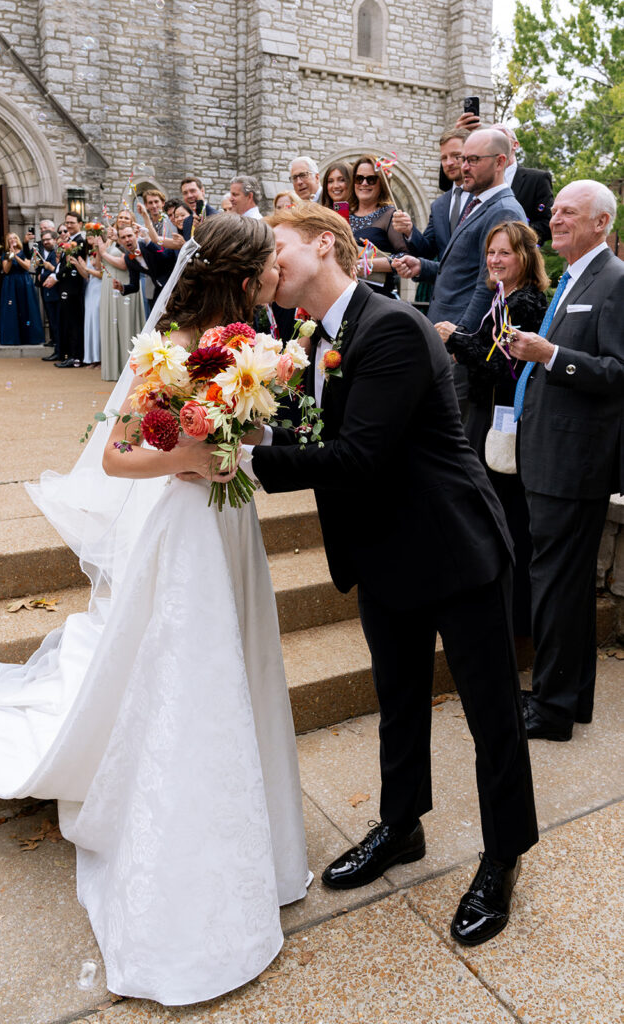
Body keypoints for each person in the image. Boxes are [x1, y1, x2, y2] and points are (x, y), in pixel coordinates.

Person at [0, 214, 310, 1004]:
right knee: (190, 675)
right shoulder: (168, 350)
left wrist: (236, 444)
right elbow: (116, 455)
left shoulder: (257, 344)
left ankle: (266, 848)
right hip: (180, 533)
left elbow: (246, 436)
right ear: (244, 276)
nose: (282, 272)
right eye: (272, 263)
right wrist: (189, 454)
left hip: (230, 525)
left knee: (243, 661)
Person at [250, 203, 538, 947]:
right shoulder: (309, 333)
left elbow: (356, 458)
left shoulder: (390, 328)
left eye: (275, 246)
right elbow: (311, 429)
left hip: (453, 548)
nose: (268, 260)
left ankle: (502, 856)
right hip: (380, 551)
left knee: (490, 716)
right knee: (398, 700)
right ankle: (400, 826)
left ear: (324, 244)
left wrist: (244, 461)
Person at [509, 180, 624, 741]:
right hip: (548, 454)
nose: (554, 220)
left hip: (573, 461)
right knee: (564, 584)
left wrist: (549, 354)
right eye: (554, 212)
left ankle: (550, 707)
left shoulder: (615, 281)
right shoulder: (576, 276)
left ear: (601, 223)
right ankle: (567, 701)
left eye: (568, 213)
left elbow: (617, 372)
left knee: (554, 581)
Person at [437, 220, 549, 635]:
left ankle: (515, 615)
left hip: (505, 422)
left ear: (525, 257)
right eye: (491, 252)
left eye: (504, 252)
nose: (495, 260)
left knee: (507, 517)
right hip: (487, 415)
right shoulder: (502, 296)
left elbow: (501, 368)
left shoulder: (526, 302)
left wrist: (454, 339)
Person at [393, 129, 525, 410]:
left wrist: (460, 340)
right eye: (463, 159)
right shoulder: (476, 204)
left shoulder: (503, 211)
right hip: (443, 335)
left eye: (473, 160)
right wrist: (422, 267)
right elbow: (458, 269)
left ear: (500, 162)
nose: (463, 167)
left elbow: (488, 283)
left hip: (460, 347)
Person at [392, 127, 472, 284]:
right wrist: (409, 230)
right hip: (442, 295)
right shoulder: (439, 205)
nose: (449, 163)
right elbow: (426, 251)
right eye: (444, 158)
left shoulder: (483, 198)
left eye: (456, 156)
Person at [349, 155, 405, 295]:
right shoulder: (345, 213)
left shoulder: (390, 215)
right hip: (345, 293)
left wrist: (366, 265)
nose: (364, 183)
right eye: (359, 178)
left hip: (375, 296)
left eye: (371, 179)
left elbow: (404, 257)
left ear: (382, 183)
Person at [98, 220, 145, 381]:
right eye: (123, 236)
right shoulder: (124, 250)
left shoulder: (141, 248)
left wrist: (104, 253)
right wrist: (123, 288)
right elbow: (133, 285)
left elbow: (124, 265)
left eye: (129, 235)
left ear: (136, 234)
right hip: (116, 285)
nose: (127, 239)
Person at [0, 232, 45, 346]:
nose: (12, 240)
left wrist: (16, 257)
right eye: (10, 238)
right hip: (11, 284)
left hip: (24, 282)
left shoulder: (24, 252)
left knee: (27, 308)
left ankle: (29, 337)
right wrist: (10, 257)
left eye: (14, 237)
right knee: (12, 309)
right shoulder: (5, 254)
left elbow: (27, 266)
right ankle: (13, 338)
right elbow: (6, 270)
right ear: (7, 241)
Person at [55, 211, 87, 368]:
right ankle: (70, 354)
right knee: (69, 322)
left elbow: (72, 266)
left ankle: (76, 356)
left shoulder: (80, 242)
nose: (68, 225)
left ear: (80, 223)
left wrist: (55, 277)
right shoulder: (70, 241)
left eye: (71, 222)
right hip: (66, 288)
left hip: (74, 289)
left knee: (75, 323)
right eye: (66, 222)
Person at [73, 239, 103, 367]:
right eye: (89, 235)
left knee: (98, 322)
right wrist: (78, 265)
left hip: (100, 288)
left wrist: (86, 268)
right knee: (90, 323)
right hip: (90, 289)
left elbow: (102, 274)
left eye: (93, 234)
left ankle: (101, 358)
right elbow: (86, 275)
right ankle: (92, 358)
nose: (91, 238)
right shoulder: (89, 253)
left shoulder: (101, 252)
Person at [39, 229, 63, 361]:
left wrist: (46, 270)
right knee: (54, 324)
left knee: (57, 324)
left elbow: (57, 271)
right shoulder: (45, 254)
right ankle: (57, 350)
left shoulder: (55, 254)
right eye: (43, 240)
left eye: (48, 239)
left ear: (55, 239)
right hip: (48, 293)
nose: (45, 242)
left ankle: (59, 351)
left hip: (55, 294)